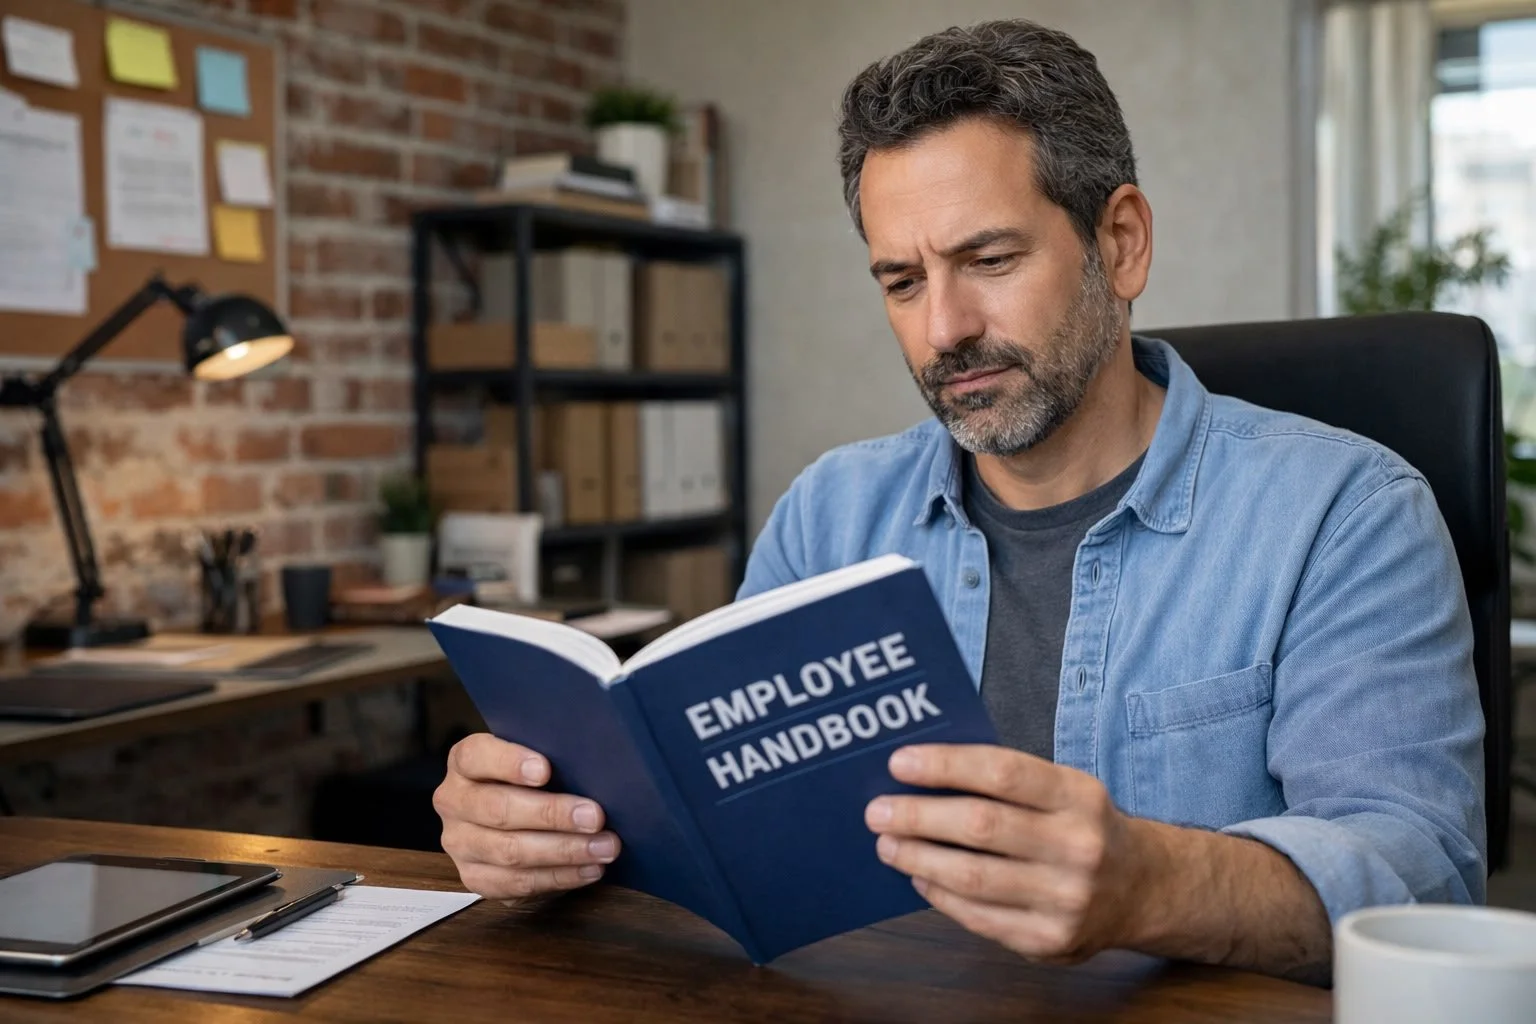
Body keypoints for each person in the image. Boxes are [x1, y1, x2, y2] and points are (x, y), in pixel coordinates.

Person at [433, 20, 1485, 983]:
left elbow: (1425, 873)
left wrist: (1152, 883)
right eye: (901, 280)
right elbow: (729, 830)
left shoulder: (1345, 511)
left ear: (1119, 244)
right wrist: (555, 833)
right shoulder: (830, 515)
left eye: (989, 259)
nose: (943, 328)